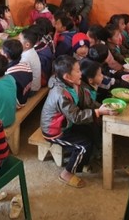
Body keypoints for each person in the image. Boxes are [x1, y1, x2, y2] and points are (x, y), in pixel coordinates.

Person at [40, 55, 116, 188]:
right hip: (55, 130)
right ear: (67, 77)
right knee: (83, 145)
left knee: (91, 130)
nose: (81, 73)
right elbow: (76, 117)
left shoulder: (75, 84)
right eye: (77, 71)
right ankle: (66, 173)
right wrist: (98, 112)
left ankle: (82, 162)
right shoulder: (61, 94)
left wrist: (102, 108)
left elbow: (87, 102)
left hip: (67, 123)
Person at [0, 39, 32, 108]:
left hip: (17, 103)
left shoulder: (8, 73)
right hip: (24, 98)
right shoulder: (25, 65)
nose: (0, 51)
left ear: (5, 55)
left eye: (1, 50)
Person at [18, 28, 42, 95]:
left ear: (27, 45)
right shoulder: (31, 50)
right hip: (35, 85)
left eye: (19, 40)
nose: (17, 42)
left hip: (31, 90)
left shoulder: (25, 58)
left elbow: (20, 76)